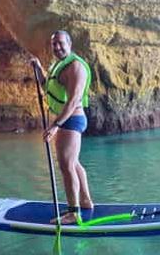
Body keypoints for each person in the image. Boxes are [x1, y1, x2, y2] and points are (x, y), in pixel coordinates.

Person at [30, 30, 93, 225]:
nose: (57, 47)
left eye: (60, 43)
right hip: (66, 120)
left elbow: (74, 100)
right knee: (73, 163)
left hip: (71, 120)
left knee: (66, 167)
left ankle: (73, 213)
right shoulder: (58, 65)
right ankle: (85, 201)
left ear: (69, 43)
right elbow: (46, 87)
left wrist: (56, 125)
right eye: (54, 44)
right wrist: (39, 68)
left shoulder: (76, 67)